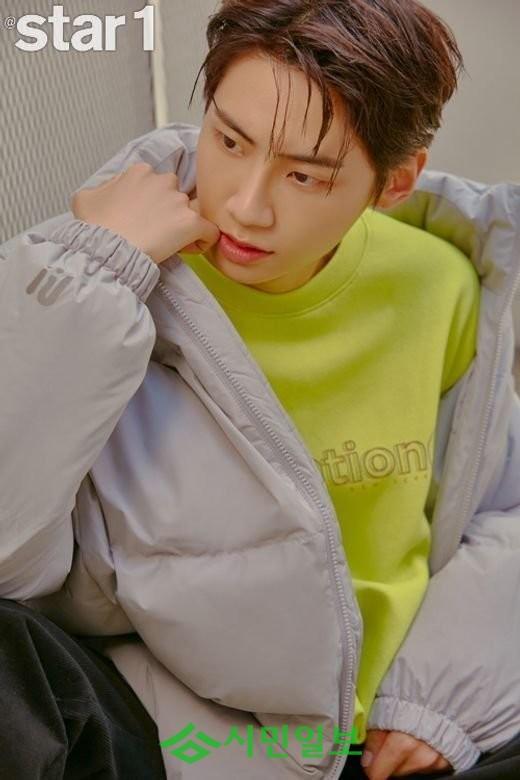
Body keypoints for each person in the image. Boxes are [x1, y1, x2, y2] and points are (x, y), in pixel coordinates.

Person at [1, 0, 520, 778]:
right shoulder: (101, 285)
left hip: (409, 716)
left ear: (395, 182)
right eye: (229, 141)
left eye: (305, 175)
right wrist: (99, 273)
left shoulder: (440, 284)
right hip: (180, 720)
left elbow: (501, 508)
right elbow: (12, 565)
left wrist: (444, 700)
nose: (246, 205)